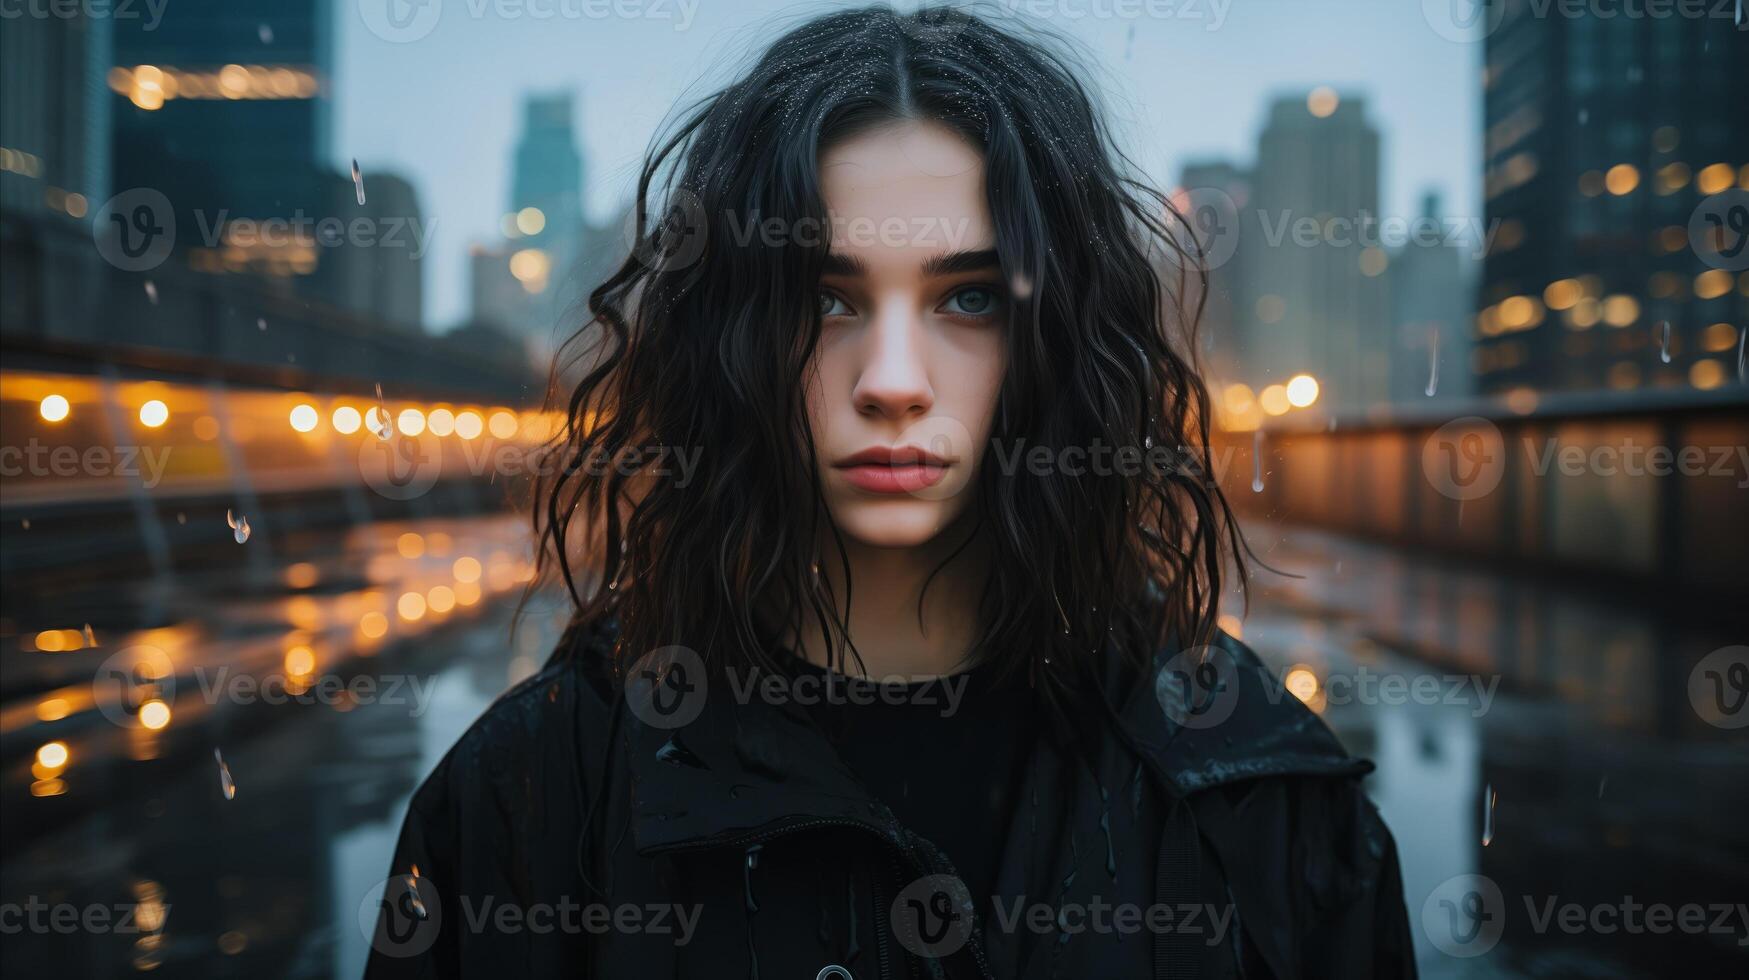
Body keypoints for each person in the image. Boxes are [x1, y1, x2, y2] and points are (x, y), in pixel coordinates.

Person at [365, 5, 1415, 977]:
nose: (895, 381)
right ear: (731, 336)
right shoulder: (533, 794)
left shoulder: (1261, 801)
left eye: (966, 296)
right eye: (827, 300)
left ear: (1054, 336)